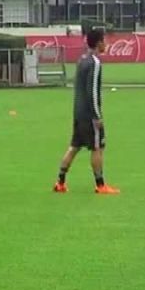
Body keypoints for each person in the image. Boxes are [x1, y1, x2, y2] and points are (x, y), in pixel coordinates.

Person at [53, 27, 120, 195]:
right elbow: (92, 91)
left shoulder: (82, 59)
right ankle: (100, 185)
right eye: (104, 40)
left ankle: (60, 182)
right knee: (97, 147)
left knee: (74, 146)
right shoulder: (95, 62)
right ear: (99, 43)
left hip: (78, 112)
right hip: (90, 115)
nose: (107, 43)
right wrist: (97, 115)